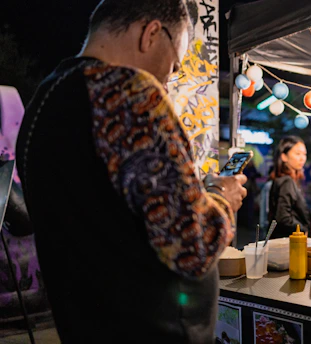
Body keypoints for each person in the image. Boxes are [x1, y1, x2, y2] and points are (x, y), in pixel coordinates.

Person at [15, 1, 247, 343]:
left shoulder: (42, 102)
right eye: (174, 62)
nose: (169, 78)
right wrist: (220, 197)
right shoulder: (126, 91)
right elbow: (193, 246)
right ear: (151, 33)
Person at [268, 136, 310, 239]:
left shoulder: (286, 180)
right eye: (297, 154)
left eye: (304, 154)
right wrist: (302, 230)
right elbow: (283, 217)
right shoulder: (287, 181)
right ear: (284, 157)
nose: (302, 158)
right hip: (288, 241)